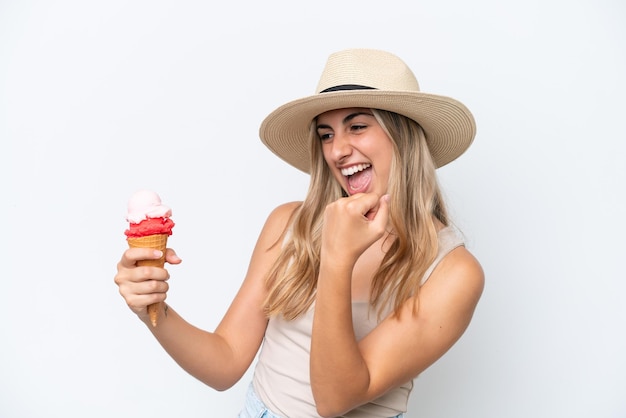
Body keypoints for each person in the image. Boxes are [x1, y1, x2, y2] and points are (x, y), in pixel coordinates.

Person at [114, 48, 484, 418]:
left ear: (403, 136)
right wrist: (152, 308)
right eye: (325, 134)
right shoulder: (290, 225)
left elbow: (334, 400)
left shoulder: (452, 271)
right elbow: (225, 362)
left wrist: (337, 258)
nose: (337, 150)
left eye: (357, 126)